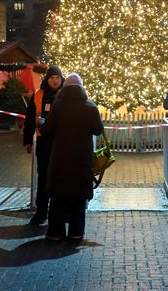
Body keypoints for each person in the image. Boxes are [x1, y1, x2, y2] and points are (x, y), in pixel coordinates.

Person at [40, 73, 104, 243]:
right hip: (82, 160)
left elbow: (47, 130)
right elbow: (98, 129)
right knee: (79, 199)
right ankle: (76, 233)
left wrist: (40, 123)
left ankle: (55, 232)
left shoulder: (58, 105)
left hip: (60, 160)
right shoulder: (90, 106)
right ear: (82, 87)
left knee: (58, 199)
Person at [23, 66, 64, 226]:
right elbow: (29, 119)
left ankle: (61, 212)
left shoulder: (66, 95)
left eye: (58, 77)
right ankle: (41, 212)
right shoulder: (38, 95)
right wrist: (27, 140)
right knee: (43, 178)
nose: (55, 80)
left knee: (60, 177)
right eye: (52, 77)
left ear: (62, 79)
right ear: (47, 79)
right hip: (43, 142)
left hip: (60, 143)